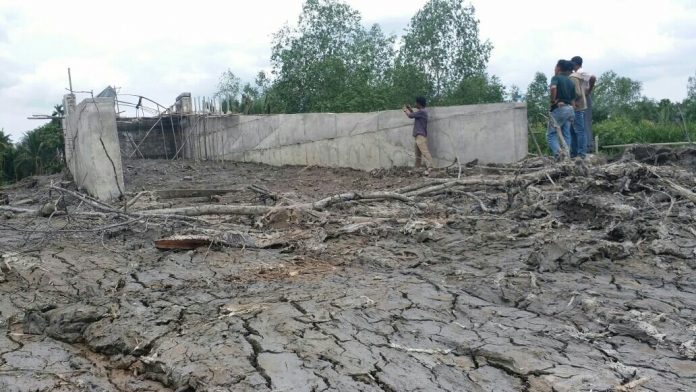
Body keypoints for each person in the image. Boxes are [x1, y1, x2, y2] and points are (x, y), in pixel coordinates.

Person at [547, 60, 576, 160]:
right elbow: (573, 101)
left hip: (559, 109)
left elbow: (553, 88)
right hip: (570, 110)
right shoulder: (571, 82)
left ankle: (559, 155)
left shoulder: (556, 78)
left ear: (558, 68)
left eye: (555, 66)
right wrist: (572, 115)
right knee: (566, 134)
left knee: (551, 135)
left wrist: (553, 100)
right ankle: (567, 156)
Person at [571, 56, 597, 151]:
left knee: (584, 121)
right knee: (581, 122)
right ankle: (584, 146)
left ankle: (587, 146)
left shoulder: (580, 72)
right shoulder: (576, 73)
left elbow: (593, 78)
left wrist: (589, 90)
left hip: (584, 97)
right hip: (582, 96)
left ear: (575, 64)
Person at [403, 96, 433, 175]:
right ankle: (417, 168)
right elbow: (414, 114)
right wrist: (410, 109)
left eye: (416, 102)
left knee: (424, 152)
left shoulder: (422, 112)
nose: (415, 104)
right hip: (418, 136)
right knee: (418, 154)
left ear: (419, 103)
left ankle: (430, 167)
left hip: (420, 135)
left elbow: (410, 116)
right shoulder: (421, 112)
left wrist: (405, 110)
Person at [569, 65, 587, 158]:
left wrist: (572, 101)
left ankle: (581, 154)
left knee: (579, 131)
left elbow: (577, 93)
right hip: (577, 107)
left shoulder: (572, 77)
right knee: (572, 131)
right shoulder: (579, 76)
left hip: (576, 107)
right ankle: (575, 153)